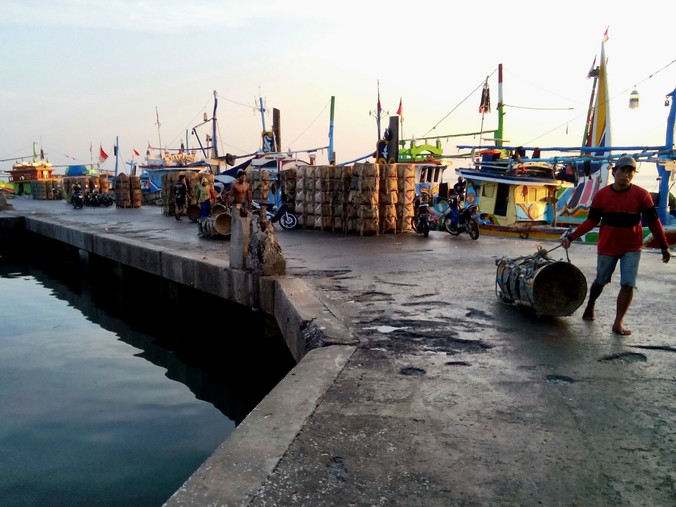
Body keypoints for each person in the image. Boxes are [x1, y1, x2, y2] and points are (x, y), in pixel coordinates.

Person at [560, 156, 671, 335]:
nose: (626, 175)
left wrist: (664, 246)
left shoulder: (642, 195)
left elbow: (653, 222)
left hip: (632, 247)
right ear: (614, 172)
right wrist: (571, 237)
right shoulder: (601, 196)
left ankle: (618, 322)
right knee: (601, 281)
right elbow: (590, 222)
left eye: (630, 172)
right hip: (608, 246)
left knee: (628, 284)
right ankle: (591, 304)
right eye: (622, 170)